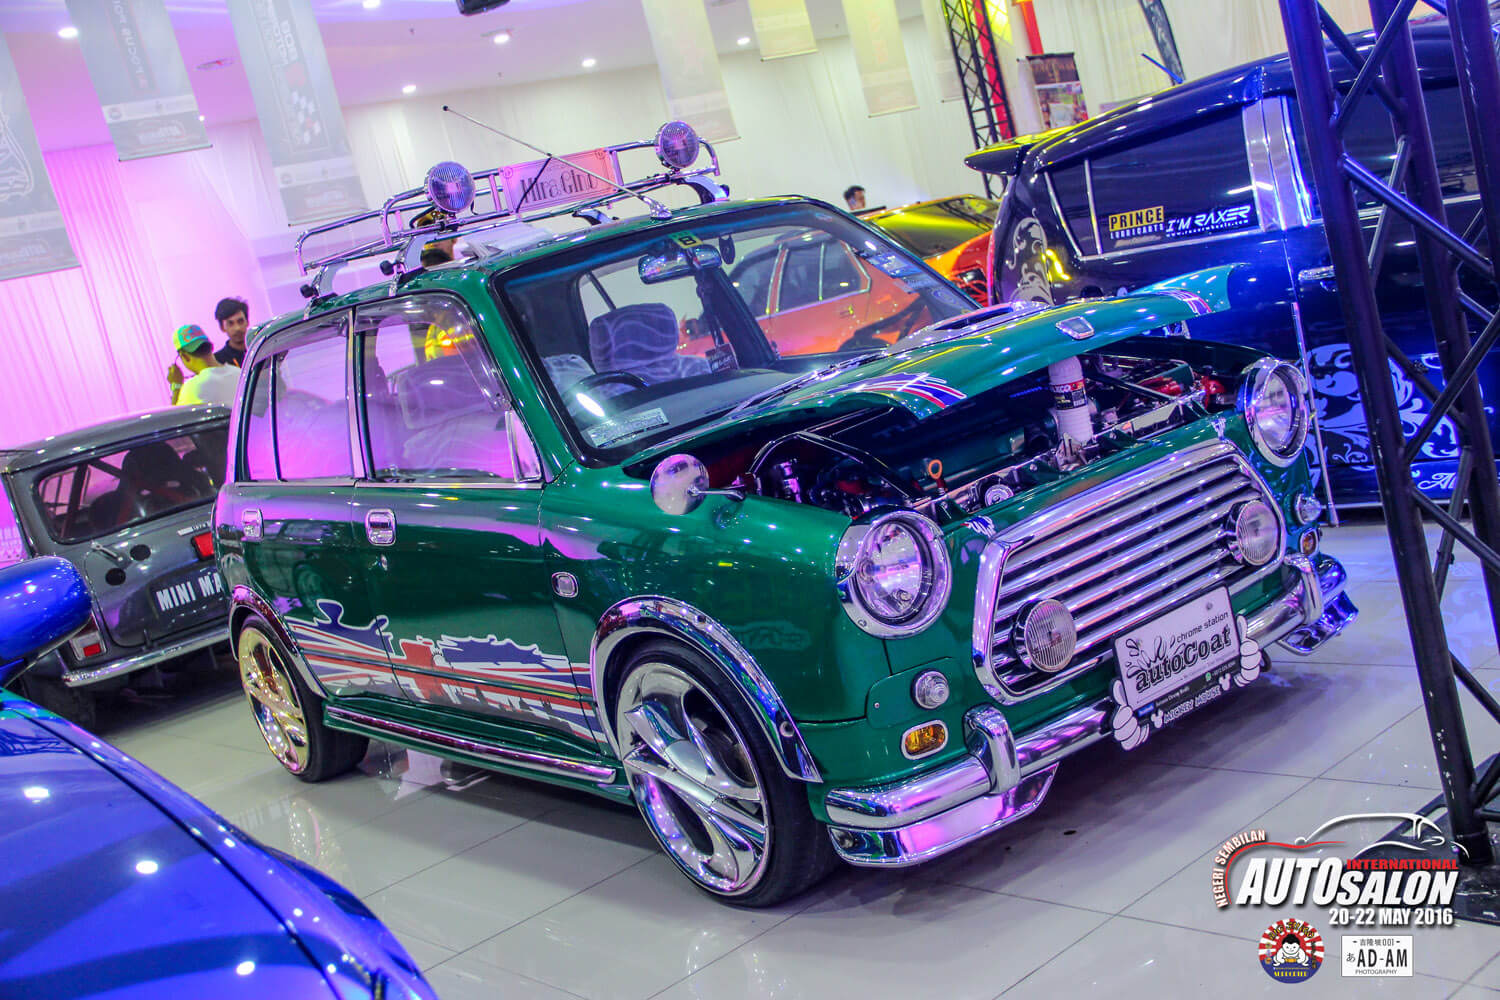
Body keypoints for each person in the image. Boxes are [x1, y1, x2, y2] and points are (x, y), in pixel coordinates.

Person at [167, 324, 239, 406]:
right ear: (211, 347)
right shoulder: (238, 373)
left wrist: (176, 386)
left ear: (185, 357)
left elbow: (176, 413)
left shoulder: (193, 388)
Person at [213, 297, 250, 366]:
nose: (237, 328)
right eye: (230, 323)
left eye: (240, 321)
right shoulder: (217, 362)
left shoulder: (260, 350)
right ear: (222, 328)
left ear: (247, 322)